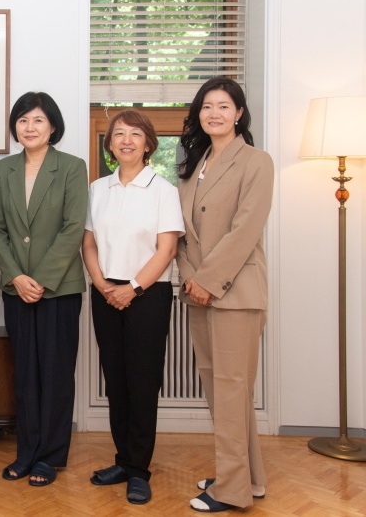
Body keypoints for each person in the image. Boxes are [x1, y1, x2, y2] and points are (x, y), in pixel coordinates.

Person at [176, 77, 273, 513]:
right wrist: (189, 277)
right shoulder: (195, 164)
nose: (214, 113)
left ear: (239, 114)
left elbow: (245, 230)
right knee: (222, 391)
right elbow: (181, 235)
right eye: (207, 106)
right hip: (197, 291)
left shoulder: (257, 161)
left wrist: (209, 280)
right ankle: (247, 477)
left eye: (224, 106)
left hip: (235, 293)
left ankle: (231, 493)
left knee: (233, 390)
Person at [82, 110, 184, 504]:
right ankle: (123, 460)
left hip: (148, 296)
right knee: (117, 381)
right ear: (109, 145)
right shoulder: (98, 189)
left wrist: (133, 288)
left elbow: (167, 248)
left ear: (148, 143)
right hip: (105, 292)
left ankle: (140, 470)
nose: (126, 140)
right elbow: (88, 243)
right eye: (118, 134)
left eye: (135, 134)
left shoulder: (163, 189)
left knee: (142, 383)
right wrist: (103, 283)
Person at [0, 91, 87, 487]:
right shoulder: (3, 169)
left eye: (38, 120)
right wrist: (14, 276)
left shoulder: (72, 168)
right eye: (23, 120)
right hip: (16, 289)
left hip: (59, 290)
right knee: (25, 374)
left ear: (53, 127)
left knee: (56, 373)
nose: (30, 127)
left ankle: (50, 456)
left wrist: (41, 279)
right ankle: (26, 452)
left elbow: (73, 228)